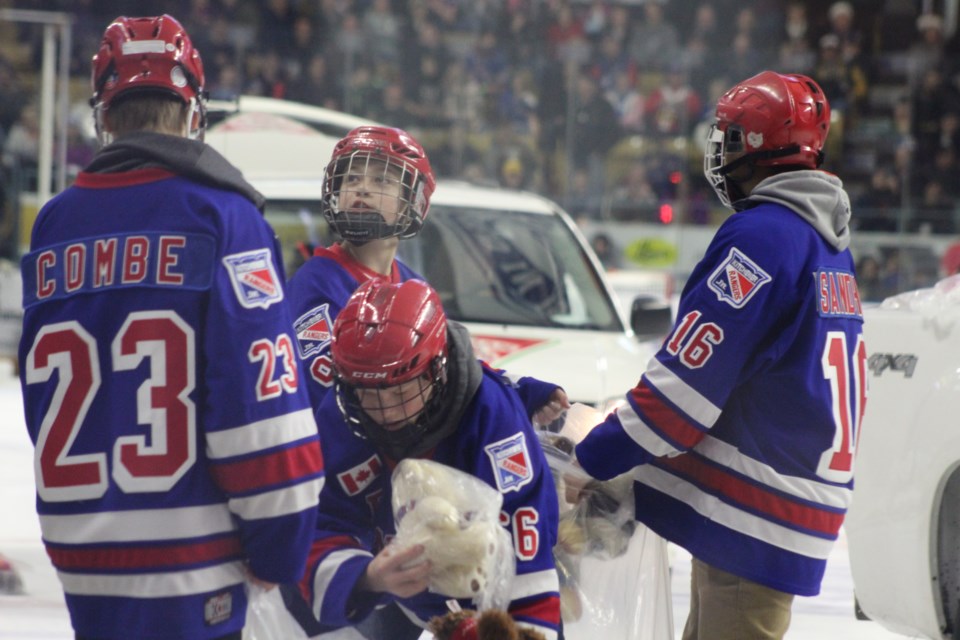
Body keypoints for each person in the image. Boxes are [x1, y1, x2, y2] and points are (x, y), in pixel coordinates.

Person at [17, 15, 324, 640]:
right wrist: (279, 548)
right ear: (192, 110)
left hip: (80, 553)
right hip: (192, 562)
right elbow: (261, 411)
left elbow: (38, 395)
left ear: (104, 112)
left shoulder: (54, 223)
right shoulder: (223, 216)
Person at [573, 71, 865, 640]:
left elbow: (680, 396)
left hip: (756, 513)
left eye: (731, 139)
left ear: (759, 147)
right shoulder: (826, 242)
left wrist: (593, 456)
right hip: (780, 503)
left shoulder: (764, 237)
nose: (720, 152)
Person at [296, 279, 561, 639]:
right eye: (366, 393)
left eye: (401, 391)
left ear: (438, 369)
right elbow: (321, 520)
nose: (384, 412)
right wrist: (367, 577)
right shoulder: (341, 416)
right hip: (390, 588)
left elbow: (527, 548)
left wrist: (526, 632)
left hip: (486, 588)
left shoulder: (493, 417)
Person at [287, 125, 568, 419]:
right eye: (352, 177)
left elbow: (452, 365)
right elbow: (331, 399)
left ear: (414, 201)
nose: (362, 188)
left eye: (382, 180)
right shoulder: (315, 284)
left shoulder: (411, 284)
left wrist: (519, 392)